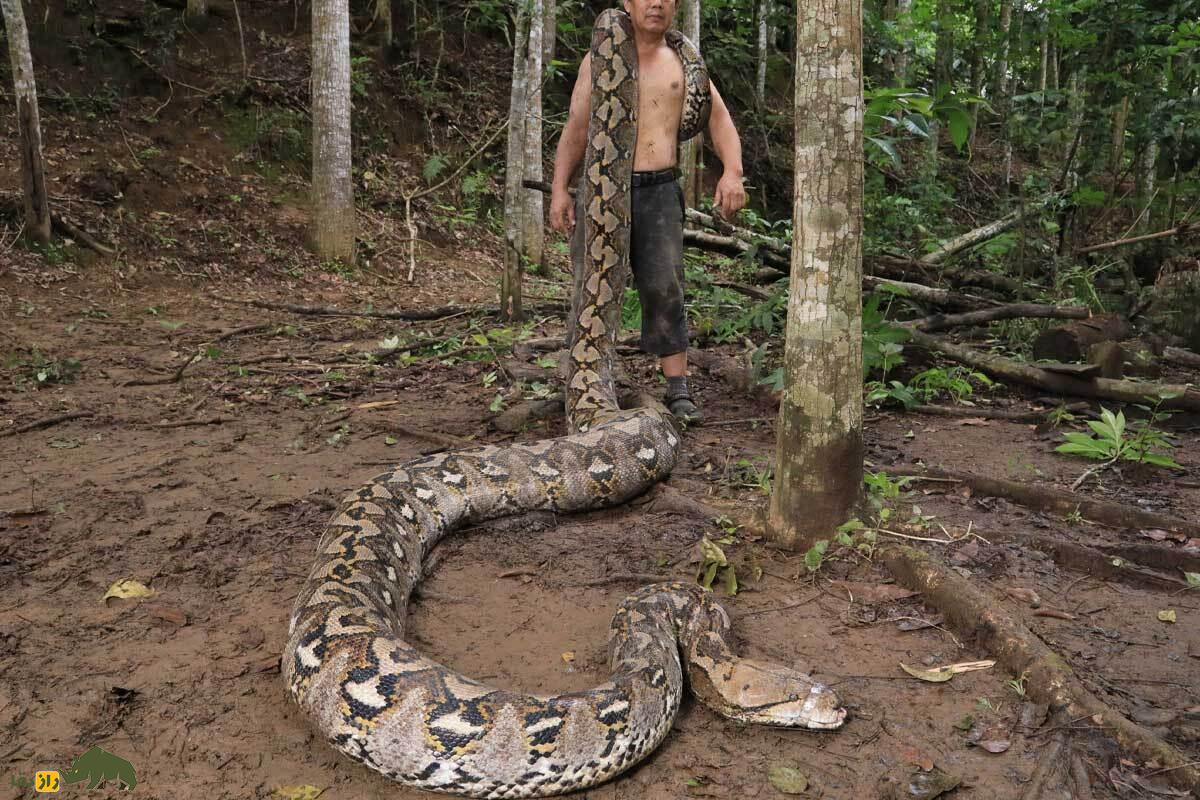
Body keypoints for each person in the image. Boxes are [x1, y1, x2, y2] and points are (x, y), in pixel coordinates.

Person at [549, 0, 746, 425]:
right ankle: (580, 380)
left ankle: (677, 389)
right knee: (590, 284)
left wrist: (732, 172)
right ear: (627, 3)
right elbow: (577, 126)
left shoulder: (683, 62)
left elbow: (720, 121)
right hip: (602, 189)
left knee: (665, 286)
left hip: (658, 189)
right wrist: (560, 189)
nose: (655, 3)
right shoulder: (599, 58)